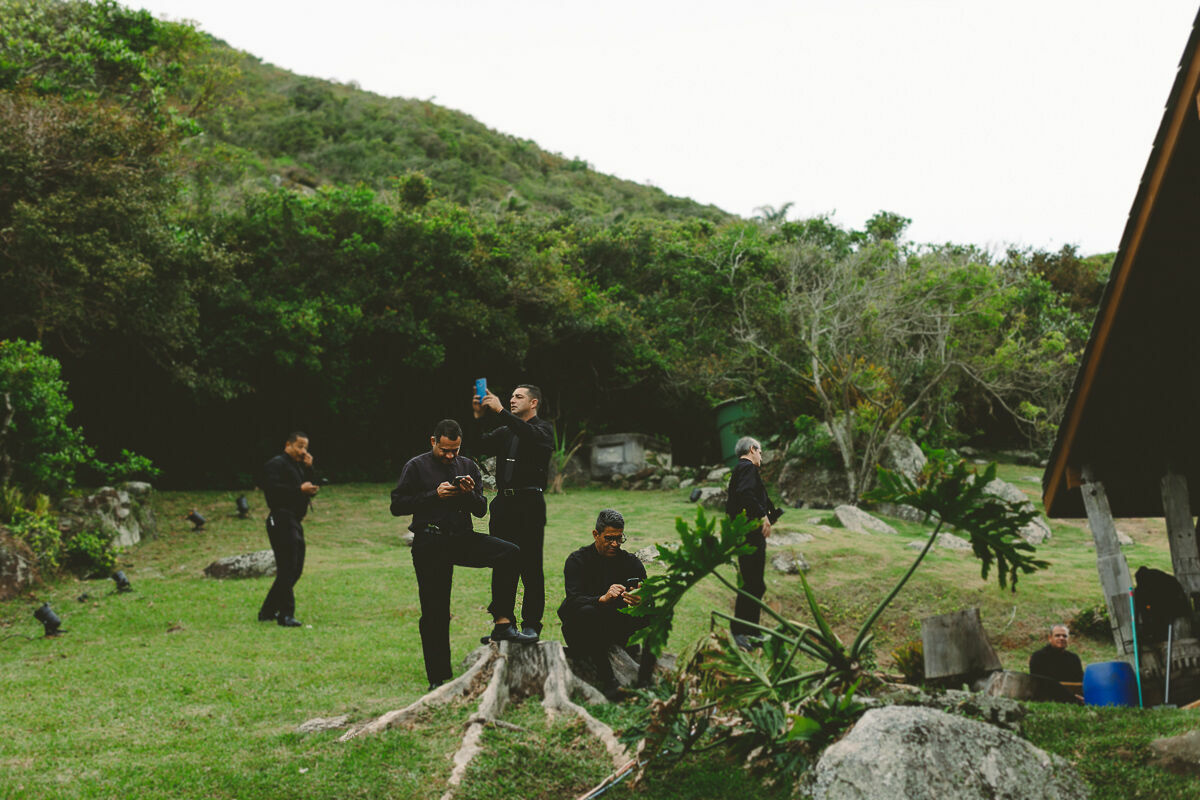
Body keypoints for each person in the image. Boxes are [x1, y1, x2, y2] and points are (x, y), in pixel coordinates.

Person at [391, 419, 536, 691]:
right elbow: (397, 505)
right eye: (445, 450)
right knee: (435, 611)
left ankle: (502, 621)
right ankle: (438, 678)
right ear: (433, 441)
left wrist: (469, 493)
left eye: (455, 450)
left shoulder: (467, 466)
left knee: (510, 553)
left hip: (461, 538)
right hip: (430, 542)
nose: (449, 455)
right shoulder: (416, 466)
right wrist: (434, 495)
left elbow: (481, 510)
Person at [472, 383, 554, 641]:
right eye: (510, 397)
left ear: (534, 403)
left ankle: (531, 625)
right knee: (502, 564)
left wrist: (499, 412)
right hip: (503, 505)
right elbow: (478, 445)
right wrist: (477, 417)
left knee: (531, 566)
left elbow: (530, 436)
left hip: (529, 504)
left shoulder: (543, 429)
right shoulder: (505, 431)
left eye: (519, 397)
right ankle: (503, 625)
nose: (512, 400)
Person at [557, 508, 653, 699]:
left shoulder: (631, 562)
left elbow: (649, 595)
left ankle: (645, 678)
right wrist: (601, 598)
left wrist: (642, 600)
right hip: (583, 630)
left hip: (617, 626)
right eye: (609, 538)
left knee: (657, 613)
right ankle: (608, 681)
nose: (615, 544)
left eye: (619, 538)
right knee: (586, 611)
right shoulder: (578, 560)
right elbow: (572, 600)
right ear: (596, 534)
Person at [258, 431, 319, 627]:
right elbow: (273, 491)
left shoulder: (298, 466)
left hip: (294, 520)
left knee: (296, 568)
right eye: (299, 446)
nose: (303, 451)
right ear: (288, 445)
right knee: (287, 566)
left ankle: (267, 610)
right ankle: (285, 615)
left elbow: (307, 487)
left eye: (305, 448)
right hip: (280, 518)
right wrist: (298, 490)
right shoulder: (275, 465)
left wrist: (310, 469)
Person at [726, 436, 781, 651]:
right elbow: (746, 493)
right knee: (751, 583)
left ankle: (752, 629)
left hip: (746, 534)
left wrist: (770, 512)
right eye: (760, 451)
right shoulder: (747, 468)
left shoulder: (740, 470)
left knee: (755, 583)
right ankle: (741, 630)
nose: (761, 455)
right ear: (752, 449)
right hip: (749, 535)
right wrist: (762, 515)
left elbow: (746, 496)